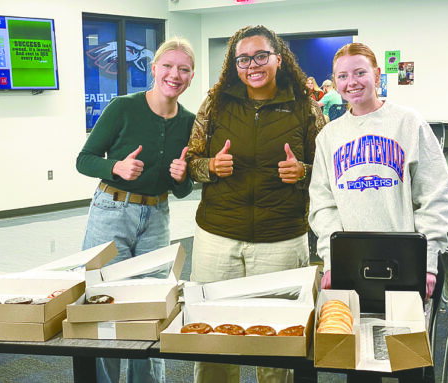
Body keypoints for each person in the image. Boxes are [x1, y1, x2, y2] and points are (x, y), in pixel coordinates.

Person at [308, 42, 448, 382]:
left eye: (360, 72)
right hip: (354, 264)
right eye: (342, 76)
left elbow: (436, 196)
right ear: (334, 81)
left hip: (407, 264)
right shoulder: (329, 137)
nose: (351, 82)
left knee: (409, 362)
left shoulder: (408, 123)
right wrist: (332, 259)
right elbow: (322, 205)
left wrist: (428, 261)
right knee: (359, 365)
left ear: (377, 74)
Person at [186, 25, 325, 383]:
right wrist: (211, 167)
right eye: (243, 59)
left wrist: (303, 170)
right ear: (234, 64)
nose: (252, 65)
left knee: (277, 341)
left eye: (261, 56)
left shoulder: (306, 107)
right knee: (213, 337)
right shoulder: (215, 102)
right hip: (218, 236)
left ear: (279, 59)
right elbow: (192, 163)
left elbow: (327, 170)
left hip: (280, 238)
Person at [76, 37, 196, 383]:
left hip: (157, 217)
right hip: (111, 211)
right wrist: (116, 167)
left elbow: (183, 190)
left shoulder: (189, 122)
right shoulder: (123, 107)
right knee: (105, 304)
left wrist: (181, 178)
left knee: (151, 307)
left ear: (191, 77)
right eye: (168, 66)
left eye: (184, 69)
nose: (175, 74)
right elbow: (84, 160)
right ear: (154, 68)